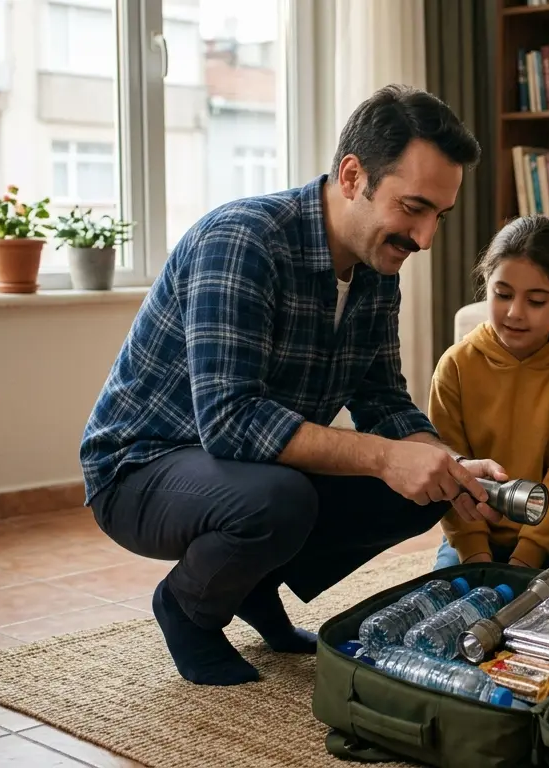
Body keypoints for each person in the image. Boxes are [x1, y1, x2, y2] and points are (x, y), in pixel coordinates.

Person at [79, 85, 510, 687]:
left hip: (250, 469)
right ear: (354, 175)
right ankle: (186, 607)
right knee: (280, 500)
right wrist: (387, 457)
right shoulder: (243, 240)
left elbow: (381, 397)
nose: (426, 237)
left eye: (438, 215)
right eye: (413, 208)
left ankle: (251, 582)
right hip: (140, 469)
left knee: (424, 484)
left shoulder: (376, 271)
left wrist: (447, 466)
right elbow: (230, 420)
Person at [428, 215, 549, 576]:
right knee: (450, 605)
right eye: (503, 294)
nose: (514, 313)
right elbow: (449, 468)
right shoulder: (456, 365)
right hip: (471, 533)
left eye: (536, 301)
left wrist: (525, 559)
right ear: (486, 283)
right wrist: (477, 556)